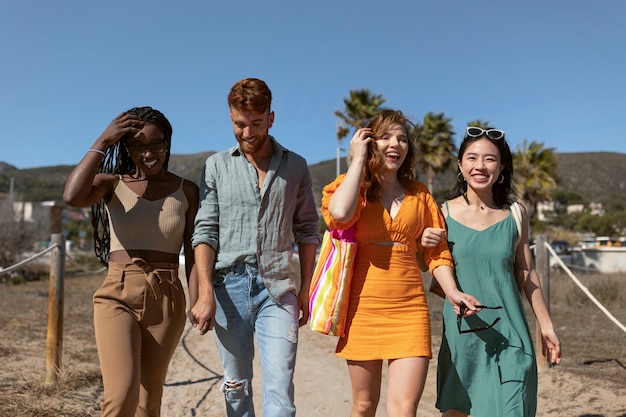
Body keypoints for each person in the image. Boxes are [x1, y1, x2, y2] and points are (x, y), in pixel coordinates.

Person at [321, 109, 480, 417]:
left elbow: (438, 255)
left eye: (402, 139)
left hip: (410, 309)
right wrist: (356, 160)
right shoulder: (354, 186)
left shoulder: (419, 194)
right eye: (385, 137)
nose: (396, 144)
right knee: (364, 406)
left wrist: (452, 292)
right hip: (361, 308)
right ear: (368, 142)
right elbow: (339, 214)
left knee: (404, 410)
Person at [189, 78, 320, 417]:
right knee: (236, 386)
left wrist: (305, 290)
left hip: (277, 289)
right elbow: (205, 232)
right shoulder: (216, 166)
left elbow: (307, 232)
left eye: (256, 124)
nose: (247, 133)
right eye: (239, 124)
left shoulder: (296, 166)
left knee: (280, 391)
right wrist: (204, 293)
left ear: (271, 119)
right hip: (226, 289)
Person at [62, 106, 199, 416]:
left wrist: (198, 299)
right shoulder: (112, 183)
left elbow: (192, 251)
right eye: (137, 145)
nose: (148, 153)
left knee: (148, 404)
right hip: (117, 294)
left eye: (157, 144)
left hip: (167, 297)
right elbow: (71, 196)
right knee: (121, 398)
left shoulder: (187, 190)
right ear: (125, 147)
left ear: (168, 143)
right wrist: (103, 140)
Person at [421, 126, 562, 417]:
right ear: (460, 166)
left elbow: (526, 272)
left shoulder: (516, 213)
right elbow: (428, 266)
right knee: (459, 409)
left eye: (490, 159)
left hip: (511, 332)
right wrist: (421, 244)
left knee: (513, 407)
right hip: (464, 334)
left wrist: (546, 326)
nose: (480, 166)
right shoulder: (442, 213)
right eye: (472, 158)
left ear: (501, 168)